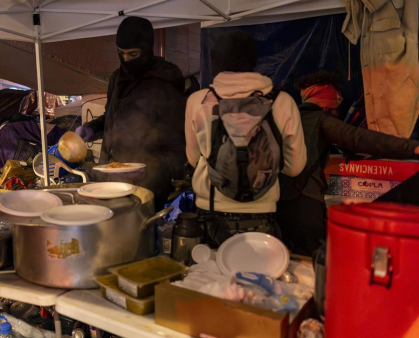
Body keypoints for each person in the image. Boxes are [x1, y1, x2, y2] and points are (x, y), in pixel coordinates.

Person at [185, 31, 307, 247]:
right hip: (261, 214)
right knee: (259, 269)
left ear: (215, 61)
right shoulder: (281, 101)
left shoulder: (198, 101)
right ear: (253, 60)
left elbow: (194, 159)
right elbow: (294, 168)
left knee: (210, 269)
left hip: (211, 211)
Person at [278, 71, 419, 256]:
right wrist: (412, 147)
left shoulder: (284, 119)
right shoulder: (321, 119)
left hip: (276, 205)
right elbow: (360, 138)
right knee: (318, 263)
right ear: (329, 105)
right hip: (305, 207)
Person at [76, 17, 187, 208]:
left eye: (133, 54)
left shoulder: (163, 85)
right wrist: (92, 129)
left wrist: (149, 170)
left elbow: (178, 149)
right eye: (121, 54)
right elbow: (111, 117)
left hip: (147, 188)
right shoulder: (117, 79)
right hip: (110, 180)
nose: (126, 60)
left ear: (147, 49)